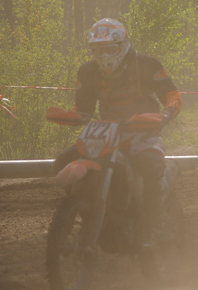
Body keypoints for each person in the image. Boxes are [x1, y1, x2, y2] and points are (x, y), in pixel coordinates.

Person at [55, 18, 182, 252]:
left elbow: (172, 94)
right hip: (107, 131)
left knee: (150, 165)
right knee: (63, 160)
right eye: (98, 50)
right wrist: (68, 116)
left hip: (143, 129)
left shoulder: (146, 64)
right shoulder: (88, 71)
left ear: (123, 45)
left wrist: (167, 113)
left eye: (110, 49)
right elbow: (83, 109)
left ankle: (149, 230)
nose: (103, 55)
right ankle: (88, 212)